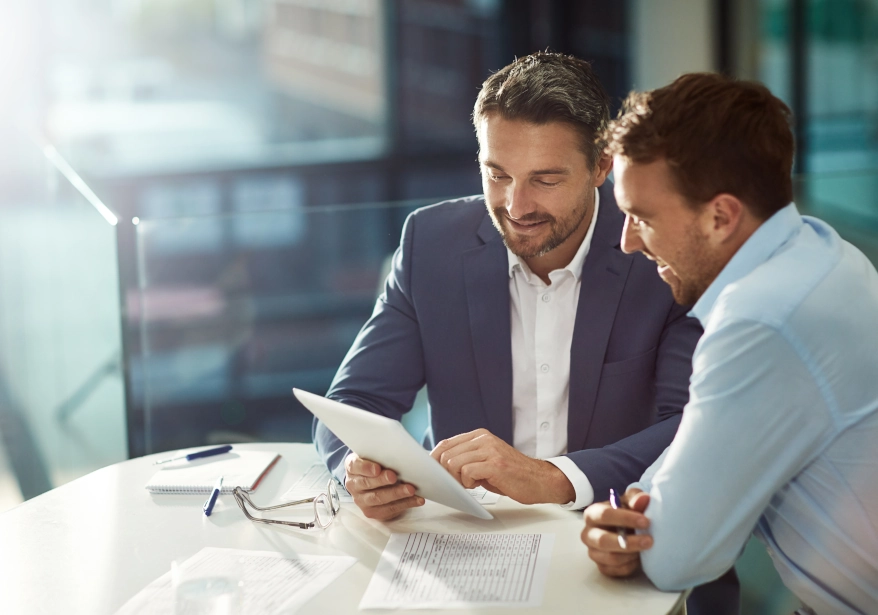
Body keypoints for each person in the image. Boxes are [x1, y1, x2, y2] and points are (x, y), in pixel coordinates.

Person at [581, 72, 878, 615]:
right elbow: (702, 441)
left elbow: (673, 557)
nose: (626, 242)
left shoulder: (761, 322)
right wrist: (635, 506)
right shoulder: (819, 249)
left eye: (641, 217)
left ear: (721, 217)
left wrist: (637, 528)